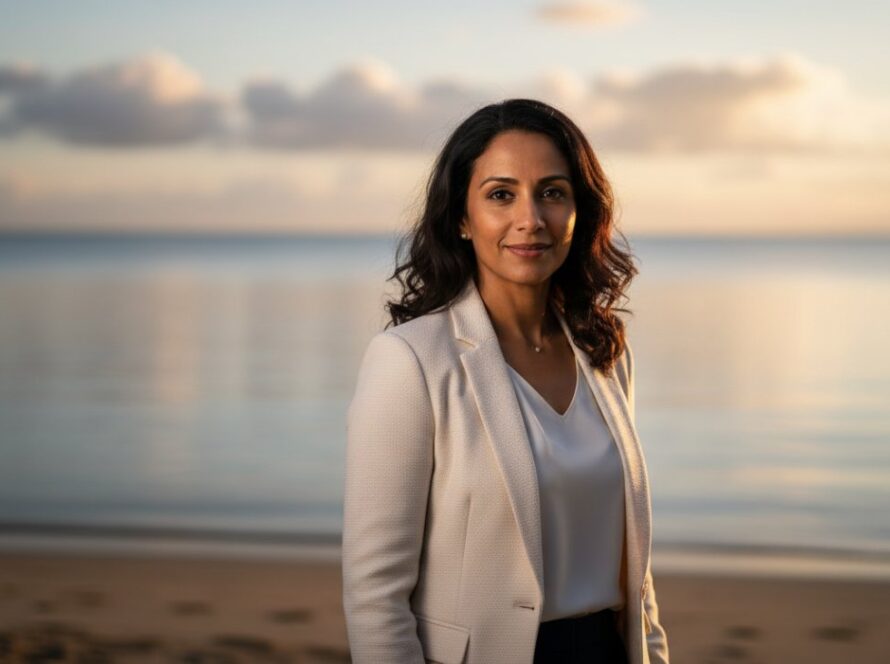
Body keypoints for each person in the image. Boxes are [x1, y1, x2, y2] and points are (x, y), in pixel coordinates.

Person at [342, 98, 669, 664]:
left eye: (552, 192)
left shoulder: (605, 353)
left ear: (579, 211)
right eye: (501, 195)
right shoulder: (410, 360)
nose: (531, 219)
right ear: (462, 219)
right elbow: (374, 595)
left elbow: (636, 571)